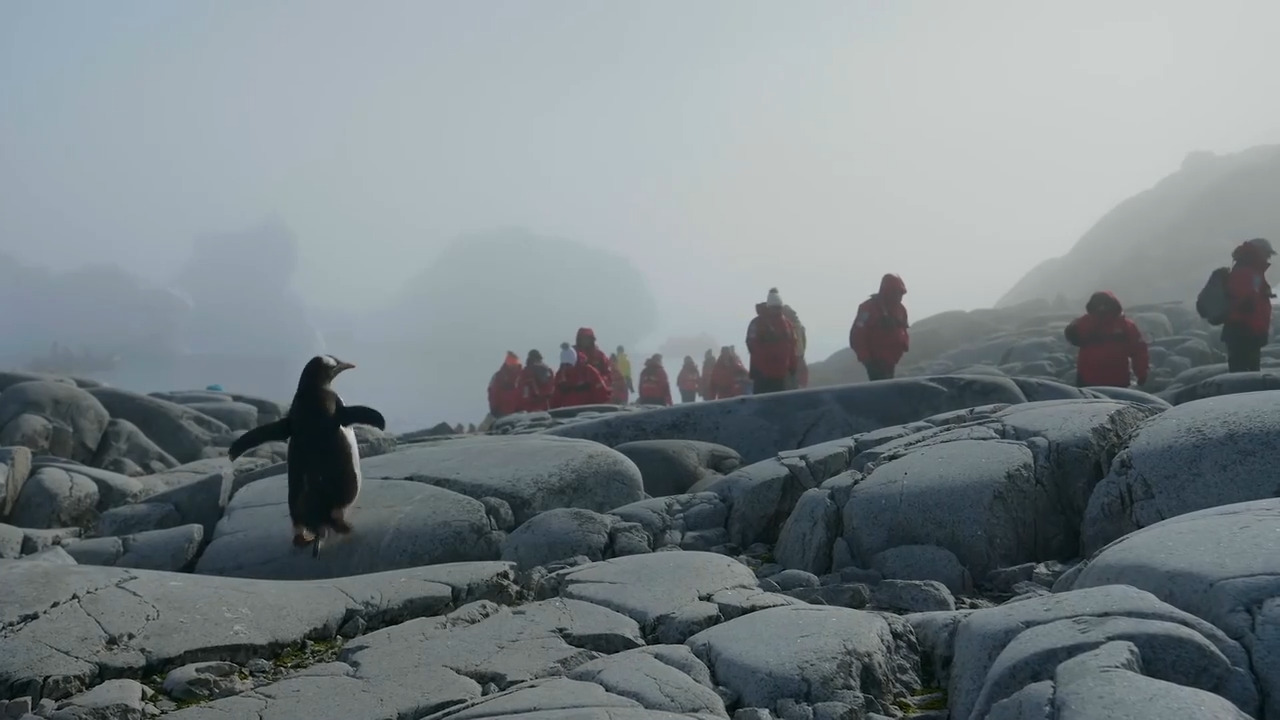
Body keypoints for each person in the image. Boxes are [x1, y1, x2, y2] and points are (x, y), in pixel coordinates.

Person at [1064, 291, 1150, 388]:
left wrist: (1141, 373)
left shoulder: (1086, 323)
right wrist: (1141, 374)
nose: (1102, 308)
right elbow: (1139, 350)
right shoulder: (1125, 325)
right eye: (1100, 305)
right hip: (1114, 381)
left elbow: (1139, 351)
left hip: (1092, 381)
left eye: (1105, 304)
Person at [1223, 238, 1276, 372]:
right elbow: (1246, 303)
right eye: (1267, 254)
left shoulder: (1251, 271)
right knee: (1244, 375)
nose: (1268, 258)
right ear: (1259, 252)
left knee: (1246, 373)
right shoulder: (1247, 272)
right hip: (1244, 334)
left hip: (1246, 333)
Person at [849, 273, 910, 381]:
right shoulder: (867, 308)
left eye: (901, 293)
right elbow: (857, 335)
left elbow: (904, 330)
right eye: (896, 292)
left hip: (892, 361)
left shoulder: (901, 310)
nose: (900, 297)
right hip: (875, 362)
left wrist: (904, 345)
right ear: (888, 292)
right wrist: (867, 360)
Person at [746, 288, 799, 395]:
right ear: (769, 307)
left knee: (778, 404)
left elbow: (792, 345)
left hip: (781, 373)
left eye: (779, 308)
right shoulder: (758, 323)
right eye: (775, 308)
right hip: (763, 374)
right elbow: (751, 344)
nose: (777, 311)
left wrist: (793, 366)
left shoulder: (786, 324)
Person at [779, 297, 808, 389]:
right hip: (798, 359)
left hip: (791, 361)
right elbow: (804, 343)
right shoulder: (799, 328)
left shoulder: (786, 328)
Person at [487, 351, 524, 418]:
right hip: (503, 413)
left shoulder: (523, 375)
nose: (512, 365)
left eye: (514, 362)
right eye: (510, 362)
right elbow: (493, 393)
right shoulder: (499, 376)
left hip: (520, 412)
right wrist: (494, 409)